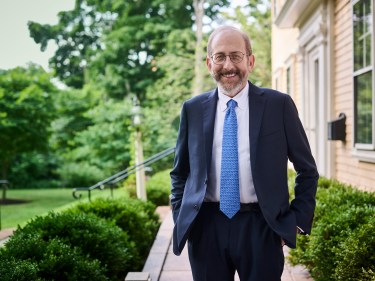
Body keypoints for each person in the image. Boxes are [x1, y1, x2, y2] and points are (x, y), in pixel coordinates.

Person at [170, 25, 319, 281]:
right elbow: (180, 172)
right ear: (209, 63)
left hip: (261, 226)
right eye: (220, 56)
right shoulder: (192, 110)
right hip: (206, 227)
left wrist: (296, 220)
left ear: (250, 61)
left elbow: (307, 169)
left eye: (236, 56)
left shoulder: (278, 105)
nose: (228, 65)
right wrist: (182, 217)